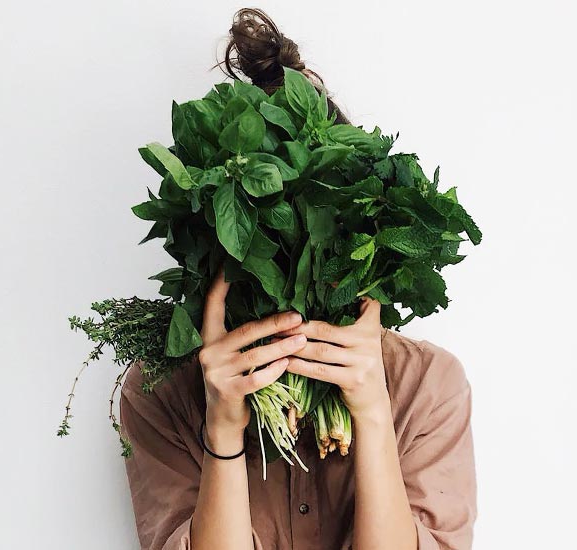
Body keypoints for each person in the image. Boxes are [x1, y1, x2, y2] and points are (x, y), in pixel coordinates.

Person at [119, 8, 477, 550]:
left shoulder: (424, 385)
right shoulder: (163, 390)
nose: (288, 271)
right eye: (261, 247)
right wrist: (222, 428)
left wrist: (374, 415)